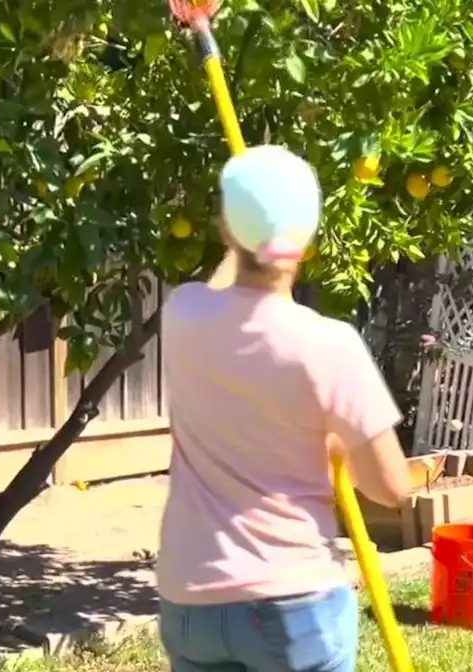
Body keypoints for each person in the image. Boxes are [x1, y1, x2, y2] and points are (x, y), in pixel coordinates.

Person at [155, 145, 412, 672]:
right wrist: (338, 440)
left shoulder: (182, 313)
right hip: (293, 602)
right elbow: (391, 487)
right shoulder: (327, 345)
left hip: (191, 600)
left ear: (226, 233)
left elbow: (227, 278)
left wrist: (245, 226)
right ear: (307, 238)